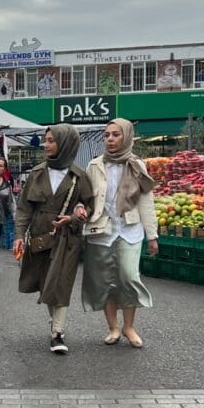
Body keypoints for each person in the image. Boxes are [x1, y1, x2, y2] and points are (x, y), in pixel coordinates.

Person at [12, 125, 94, 355]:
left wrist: (74, 216)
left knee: (61, 282)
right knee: (46, 282)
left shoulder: (80, 176)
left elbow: (90, 206)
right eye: (46, 140)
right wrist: (19, 235)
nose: (46, 145)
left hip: (67, 237)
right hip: (40, 235)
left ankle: (58, 332)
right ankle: (55, 321)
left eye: (51, 141)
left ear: (65, 143)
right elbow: (24, 208)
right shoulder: (37, 173)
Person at [81, 118, 158, 349]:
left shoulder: (136, 165)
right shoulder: (94, 165)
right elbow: (85, 198)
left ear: (127, 136)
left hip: (130, 230)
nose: (111, 139)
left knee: (128, 277)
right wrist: (81, 209)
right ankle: (113, 327)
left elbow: (146, 202)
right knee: (105, 281)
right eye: (106, 135)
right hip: (101, 230)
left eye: (116, 135)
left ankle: (129, 327)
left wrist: (152, 235)